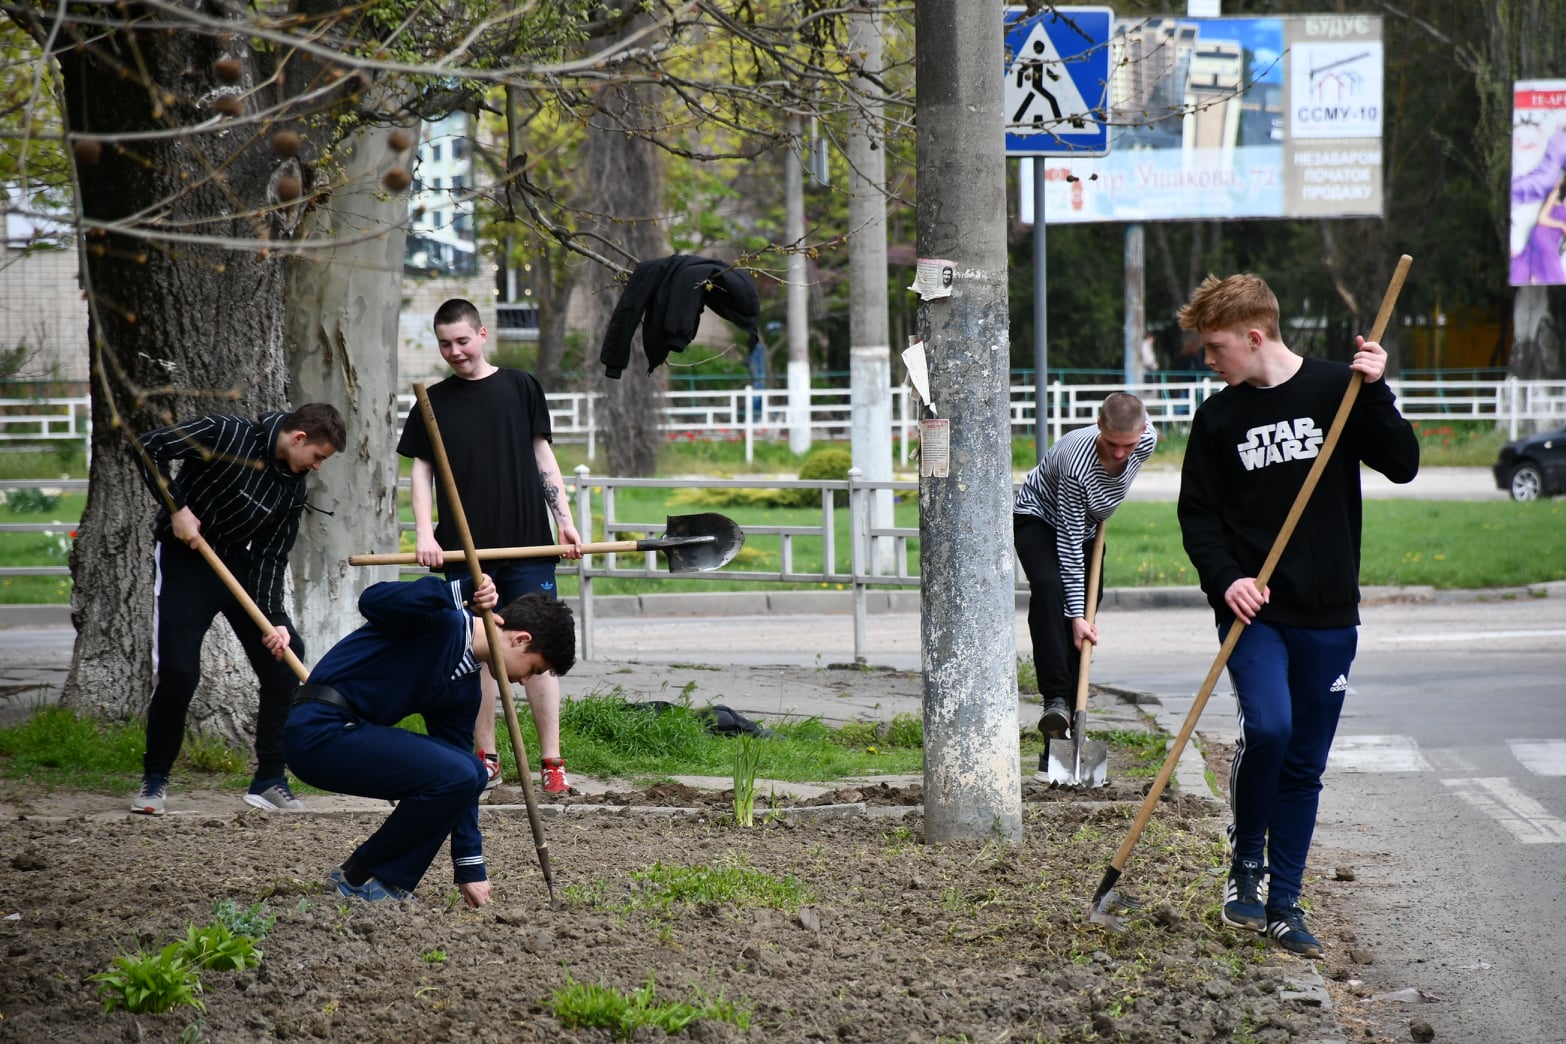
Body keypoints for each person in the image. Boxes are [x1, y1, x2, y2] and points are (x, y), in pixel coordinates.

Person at [1175, 274, 1419, 958]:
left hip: (1331, 612)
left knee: (1305, 764)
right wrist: (1227, 581)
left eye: (1215, 344)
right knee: (1271, 729)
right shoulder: (1218, 418)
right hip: (1255, 614)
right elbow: (1197, 516)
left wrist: (1375, 390)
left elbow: (1402, 464)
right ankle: (1245, 861)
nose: (1207, 357)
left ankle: (1284, 900)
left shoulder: (1336, 391)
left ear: (1255, 337)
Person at [283, 576, 576, 905]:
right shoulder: (439, 618)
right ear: (521, 640)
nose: (523, 681)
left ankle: (358, 874)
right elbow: (372, 601)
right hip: (317, 730)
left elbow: (463, 778)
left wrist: (470, 865)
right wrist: (459, 590)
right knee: (464, 772)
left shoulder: (464, 689)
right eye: (532, 669)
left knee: (469, 770)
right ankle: (380, 877)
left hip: (350, 735)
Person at [396, 298, 582, 795]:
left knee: (536, 648)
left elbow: (543, 456)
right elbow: (420, 470)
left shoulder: (520, 386)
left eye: (462, 340)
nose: (455, 351)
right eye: (445, 344)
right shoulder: (431, 401)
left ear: (482, 335)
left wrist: (564, 522)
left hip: (528, 546)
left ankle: (551, 762)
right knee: (478, 651)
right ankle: (486, 757)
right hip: (464, 550)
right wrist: (425, 533)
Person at [130, 402, 347, 815]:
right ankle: (155, 779)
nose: (317, 466)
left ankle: (269, 777)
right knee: (179, 671)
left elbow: (270, 557)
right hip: (186, 563)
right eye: (318, 456)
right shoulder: (225, 433)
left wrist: (276, 621)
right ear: (299, 438)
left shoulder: (293, 486)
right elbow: (148, 447)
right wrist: (178, 508)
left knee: (285, 659)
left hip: (239, 568)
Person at [1013, 392, 1156, 739]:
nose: (1121, 453)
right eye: (1111, 444)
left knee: (1084, 626)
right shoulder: (1077, 464)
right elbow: (1068, 545)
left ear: (1142, 432)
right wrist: (1075, 615)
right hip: (1040, 519)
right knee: (1052, 591)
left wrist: (1080, 619)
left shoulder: (1147, 441)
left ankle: (1072, 724)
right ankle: (1056, 700)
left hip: (1090, 525)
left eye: (1128, 445)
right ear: (1098, 427)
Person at [1509, 169, 1566, 286]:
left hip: (1548, 244)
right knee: (1555, 273)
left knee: (1532, 270)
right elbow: (1542, 219)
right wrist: (1560, 225)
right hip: (1542, 235)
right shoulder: (1554, 196)